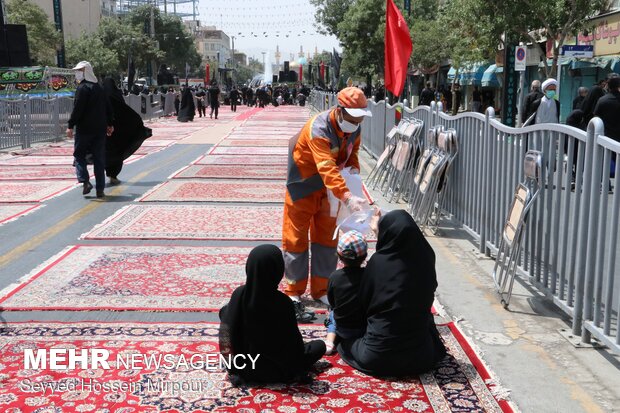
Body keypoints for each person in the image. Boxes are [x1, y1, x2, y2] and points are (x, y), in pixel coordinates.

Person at [283, 87, 371, 321]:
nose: (356, 123)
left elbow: (352, 154)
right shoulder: (319, 128)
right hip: (303, 184)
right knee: (296, 238)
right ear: (339, 111)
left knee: (327, 237)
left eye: (360, 118)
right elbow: (326, 167)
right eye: (353, 118)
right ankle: (294, 290)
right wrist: (348, 196)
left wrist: (353, 173)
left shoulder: (355, 128)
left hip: (330, 189)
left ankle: (322, 289)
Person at [338, 210, 447, 377]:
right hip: (421, 357)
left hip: (377, 356)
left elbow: (365, 302)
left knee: (345, 342)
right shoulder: (426, 257)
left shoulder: (379, 262)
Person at [219, 245, 326, 385]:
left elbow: (226, 334)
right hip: (277, 371)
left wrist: (233, 366)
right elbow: (294, 346)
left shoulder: (239, 295)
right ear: (278, 270)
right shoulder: (282, 302)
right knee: (319, 346)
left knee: (227, 312)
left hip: (246, 367)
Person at [67, 61, 113, 199]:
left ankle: (85, 181)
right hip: (99, 129)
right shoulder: (99, 88)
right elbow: (108, 107)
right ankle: (100, 189)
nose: (77, 73)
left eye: (79, 70)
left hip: (84, 129)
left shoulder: (82, 88)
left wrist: (70, 125)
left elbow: (78, 109)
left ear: (86, 71)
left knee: (79, 155)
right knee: (99, 158)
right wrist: (110, 124)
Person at [324, 230, 368, 355]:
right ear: (364, 256)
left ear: (339, 255)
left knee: (333, 313)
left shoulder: (335, 277)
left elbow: (332, 301)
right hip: (364, 328)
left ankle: (329, 340)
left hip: (342, 328)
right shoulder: (369, 275)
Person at [102, 78, 151, 185]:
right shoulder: (116, 94)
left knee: (105, 153)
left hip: (104, 130)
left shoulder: (102, 95)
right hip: (118, 131)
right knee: (117, 153)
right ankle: (113, 176)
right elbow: (125, 111)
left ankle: (99, 177)